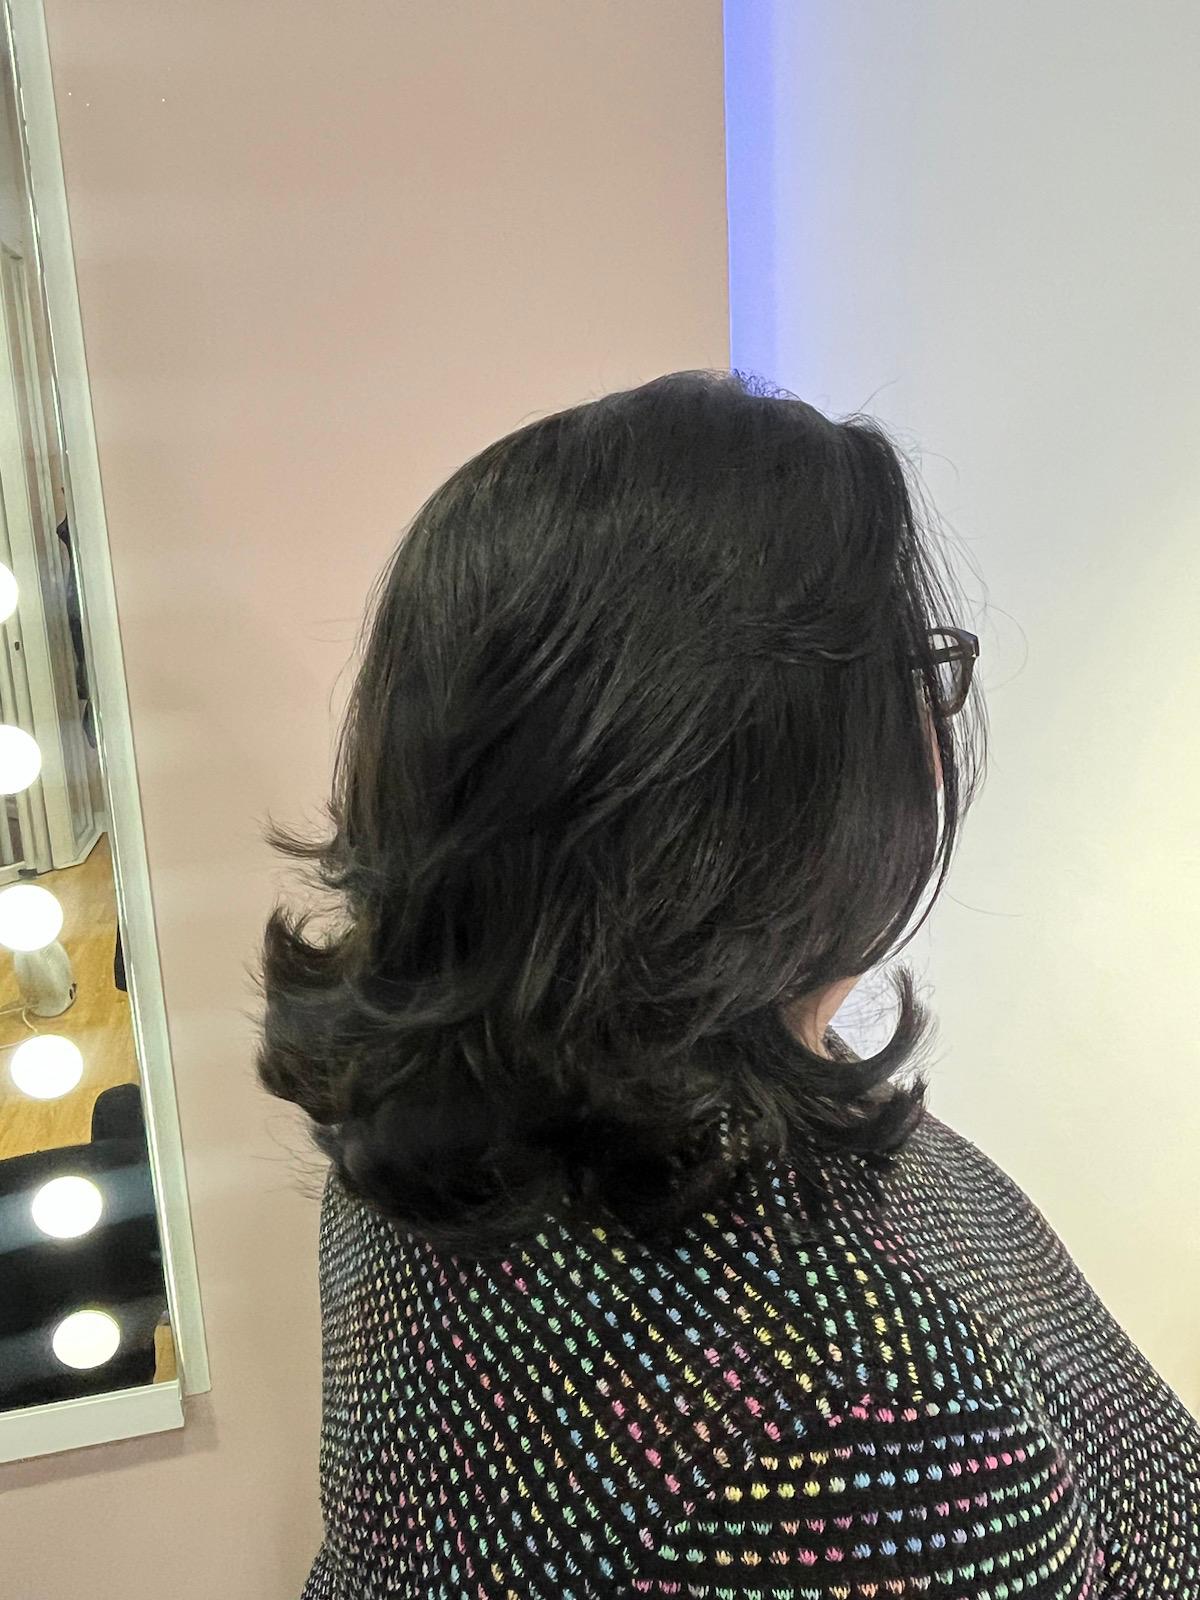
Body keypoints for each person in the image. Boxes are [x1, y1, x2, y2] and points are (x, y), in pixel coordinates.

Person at [257, 370, 1200, 1599]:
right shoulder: (863, 1437)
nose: (933, 734)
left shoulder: (443, 1112)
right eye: (907, 678)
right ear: (747, 798)